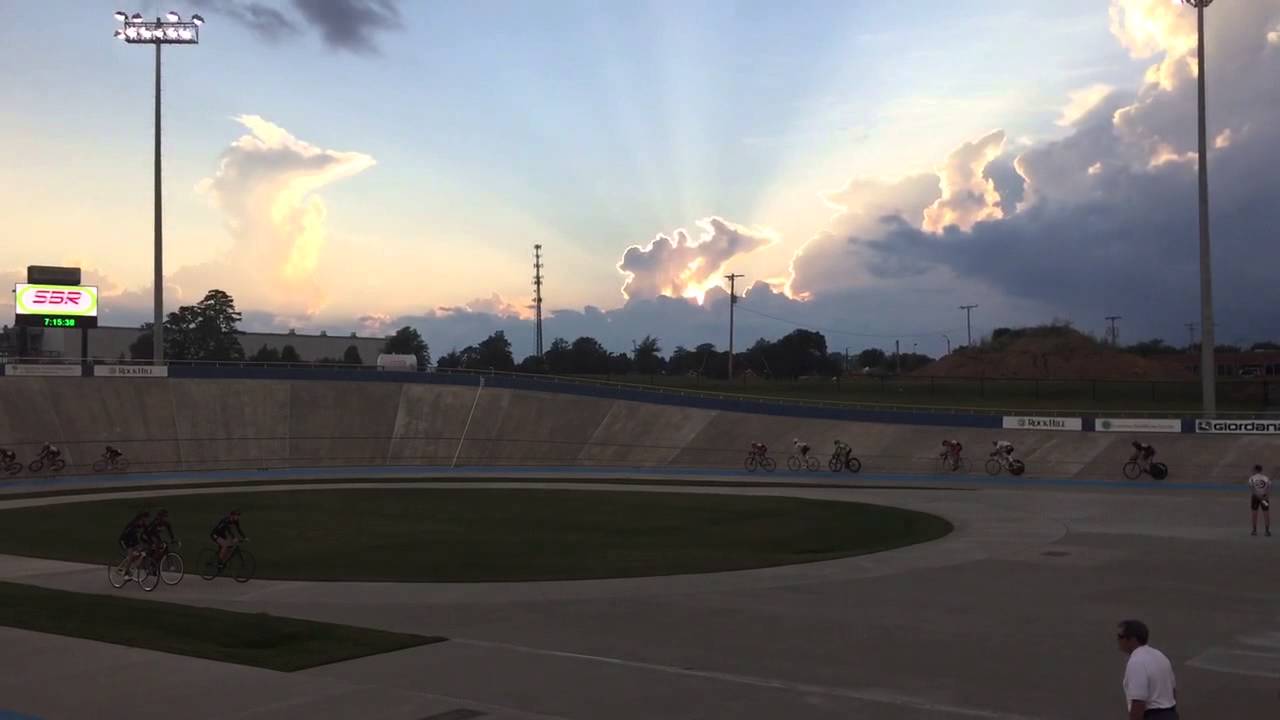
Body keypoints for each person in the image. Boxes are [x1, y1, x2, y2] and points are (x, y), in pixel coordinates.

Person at [1116, 619, 1178, 719]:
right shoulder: (1160, 656)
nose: (1118, 640)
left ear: (1132, 640)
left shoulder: (1136, 662)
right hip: (1171, 714)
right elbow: (1172, 692)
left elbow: (1138, 702)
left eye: (1120, 636)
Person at [115, 510, 151, 580]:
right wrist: (135, 546)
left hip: (133, 539)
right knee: (131, 555)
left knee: (140, 552)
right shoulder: (134, 524)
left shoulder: (143, 524)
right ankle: (125, 574)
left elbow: (147, 533)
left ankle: (129, 565)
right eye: (146, 518)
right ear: (142, 518)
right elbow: (129, 535)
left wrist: (150, 542)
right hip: (124, 539)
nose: (147, 520)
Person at [1248, 465, 1271, 537]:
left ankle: (1254, 531)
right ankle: (1267, 531)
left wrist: (1257, 495)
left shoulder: (1252, 478)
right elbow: (1269, 487)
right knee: (1266, 513)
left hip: (1255, 498)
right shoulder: (1266, 478)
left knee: (1254, 514)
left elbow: (1251, 488)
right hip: (1264, 497)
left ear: (1255, 470)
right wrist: (1266, 496)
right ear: (1261, 470)